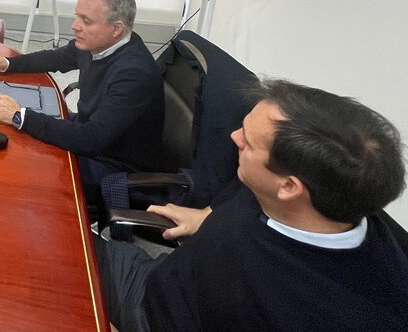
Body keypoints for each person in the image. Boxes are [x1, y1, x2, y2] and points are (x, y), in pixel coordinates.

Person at [97, 79, 408, 332]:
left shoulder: (329, 311)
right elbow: (243, 188)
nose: (234, 137)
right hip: (156, 280)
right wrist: (207, 215)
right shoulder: (299, 192)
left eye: (247, 140)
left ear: (288, 187)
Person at [0, 0, 163, 205]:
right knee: (13, 139)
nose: (75, 26)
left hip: (111, 165)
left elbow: (91, 139)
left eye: (86, 21)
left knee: (21, 170)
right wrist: (7, 64)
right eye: (77, 16)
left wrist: (19, 116)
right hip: (88, 133)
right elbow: (57, 58)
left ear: (116, 29)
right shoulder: (98, 44)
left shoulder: (134, 74)